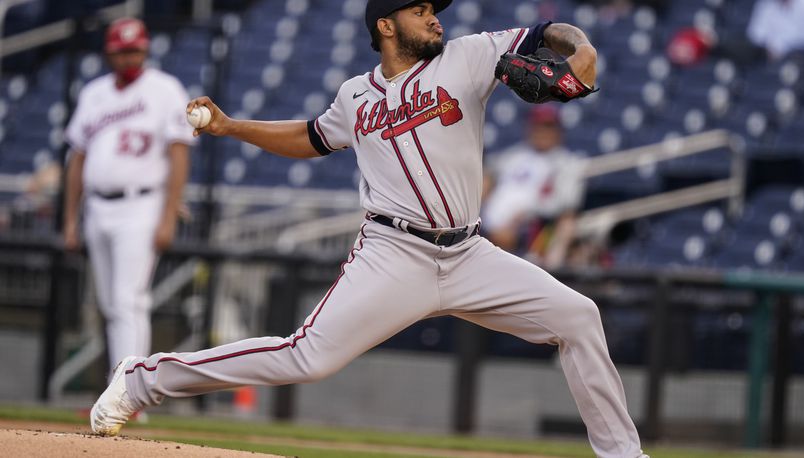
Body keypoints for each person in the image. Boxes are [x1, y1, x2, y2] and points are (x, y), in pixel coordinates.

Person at [90, 2, 647, 457]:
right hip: (393, 252)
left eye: (436, 9)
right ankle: (143, 378)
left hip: (470, 252)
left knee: (579, 316)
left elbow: (552, 34)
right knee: (305, 357)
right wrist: (233, 127)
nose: (435, 18)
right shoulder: (355, 96)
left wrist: (581, 49)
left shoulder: (471, 54)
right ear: (386, 24)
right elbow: (309, 137)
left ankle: (622, 453)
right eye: (421, 10)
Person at [63, 18, 194, 374]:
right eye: (122, 51)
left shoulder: (165, 89)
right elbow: (78, 158)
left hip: (142, 204)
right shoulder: (94, 93)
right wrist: (70, 219)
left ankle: (127, 390)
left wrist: (167, 216)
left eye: (135, 50)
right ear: (109, 53)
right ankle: (118, 388)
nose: (129, 57)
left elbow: (179, 153)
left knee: (127, 301)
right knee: (110, 304)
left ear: (146, 49)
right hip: (97, 207)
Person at [481, 105, 585, 269]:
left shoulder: (566, 162)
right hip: (486, 223)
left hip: (532, 227)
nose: (542, 132)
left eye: (548, 126)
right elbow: (488, 177)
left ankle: (550, 273)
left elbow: (566, 204)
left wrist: (524, 216)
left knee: (566, 223)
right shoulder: (514, 156)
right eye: (538, 126)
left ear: (558, 131)